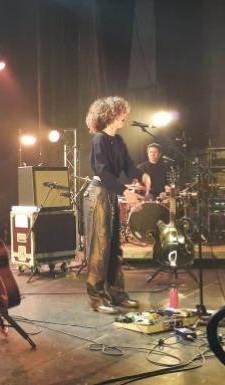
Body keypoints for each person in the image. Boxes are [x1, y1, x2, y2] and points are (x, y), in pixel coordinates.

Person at [84, 96, 151, 314]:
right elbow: (102, 173)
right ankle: (97, 298)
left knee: (114, 247)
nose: (125, 116)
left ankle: (116, 294)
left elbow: (128, 167)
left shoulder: (119, 141)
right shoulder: (99, 140)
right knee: (100, 247)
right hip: (98, 194)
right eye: (122, 112)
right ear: (110, 114)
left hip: (110, 193)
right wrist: (125, 192)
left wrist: (142, 175)